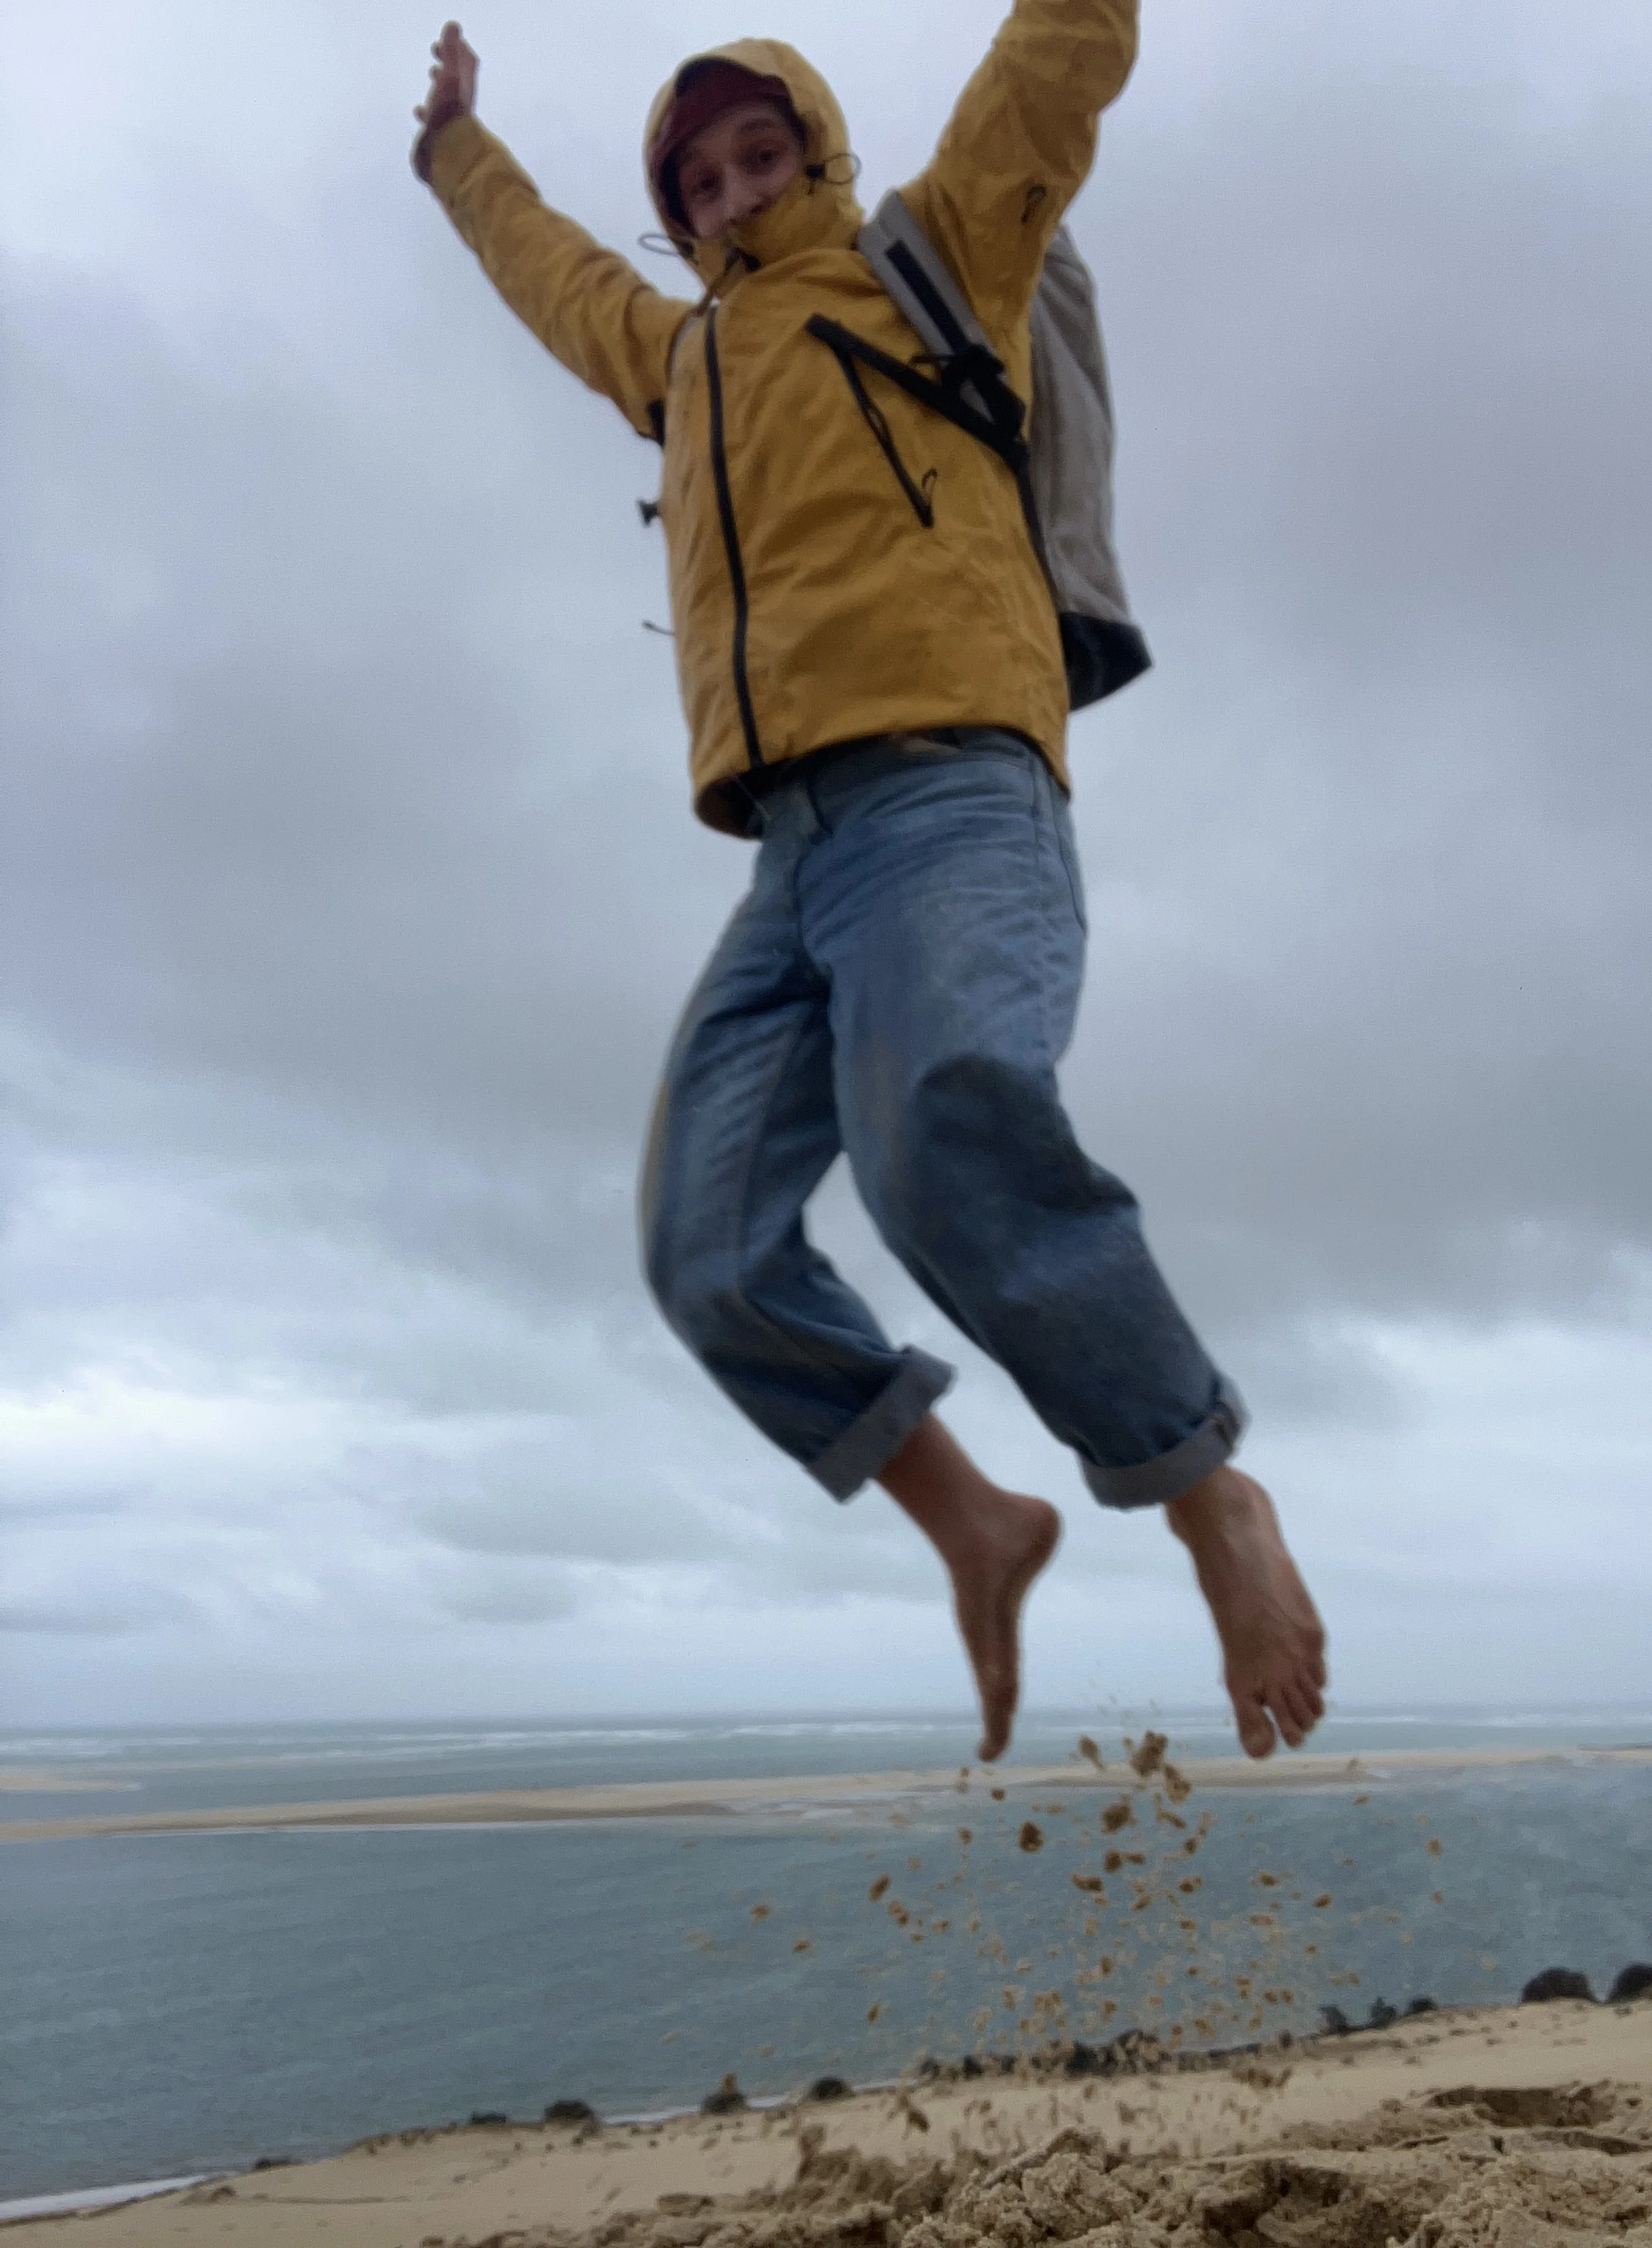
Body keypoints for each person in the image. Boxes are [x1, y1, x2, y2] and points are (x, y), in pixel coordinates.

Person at [411, 5, 1327, 1763]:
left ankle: (1209, 1496)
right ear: (670, 214)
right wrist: (459, 153)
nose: (732, 190)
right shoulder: (676, 363)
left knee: (939, 1124)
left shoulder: (936, 256)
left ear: (815, 153)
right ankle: (973, 1522)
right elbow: (544, 276)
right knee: (704, 1247)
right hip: (791, 859)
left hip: (954, 791)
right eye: (696, 178)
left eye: (761, 155)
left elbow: (1052, 71)